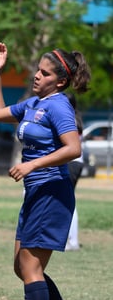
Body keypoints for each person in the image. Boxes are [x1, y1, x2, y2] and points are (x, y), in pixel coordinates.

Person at [0, 42, 90, 300]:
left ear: (59, 81)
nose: (36, 76)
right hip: (36, 192)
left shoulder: (59, 105)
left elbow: (74, 148)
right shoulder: (34, 103)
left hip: (52, 191)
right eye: (37, 70)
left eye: (44, 73)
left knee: (30, 267)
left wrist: (31, 163)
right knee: (22, 266)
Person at [65, 94, 84, 251]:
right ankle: (71, 240)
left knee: (67, 202)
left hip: (71, 163)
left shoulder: (70, 120)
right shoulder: (75, 118)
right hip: (75, 163)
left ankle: (72, 241)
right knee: (67, 201)